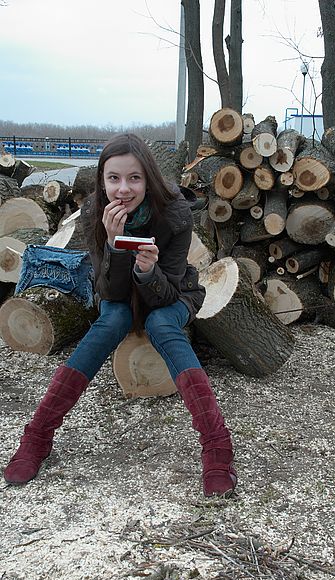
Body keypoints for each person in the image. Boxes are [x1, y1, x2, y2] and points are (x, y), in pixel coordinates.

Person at [3, 133, 237, 498]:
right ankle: (37, 436)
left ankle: (218, 446)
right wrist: (115, 244)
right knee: (110, 320)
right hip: (119, 295)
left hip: (171, 294)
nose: (123, 189)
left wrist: (146, 272)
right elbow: (108, 292)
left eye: (134, 178)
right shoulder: (95, 214)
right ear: (101, 181)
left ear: (149, 179)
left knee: (161, 322)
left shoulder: (175, 214)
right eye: (113, 178)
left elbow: (170, 293)